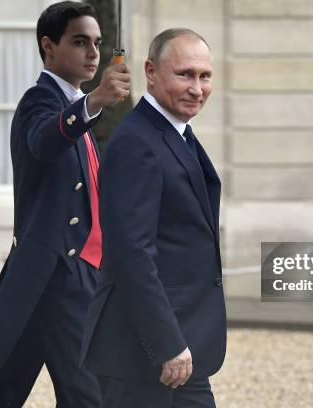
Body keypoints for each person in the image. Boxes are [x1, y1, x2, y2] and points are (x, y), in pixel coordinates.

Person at [0, 2, 130, 407]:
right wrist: (95, 101)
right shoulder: (39, 102)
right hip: (58, 272)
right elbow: (45, 140)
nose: (93, 53)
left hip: (73, 275)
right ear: (48, 47)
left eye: (97, 43)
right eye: (80, 42)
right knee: (83, 394)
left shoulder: (81, 110)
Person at [80, 28, 226, 408]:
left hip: (179, 347)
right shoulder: (137, 141)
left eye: (204, 76)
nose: (197, 88)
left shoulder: (175, 134)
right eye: (184, 74)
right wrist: (168, 343)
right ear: (150, 71)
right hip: (142, 354)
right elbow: (132, 254)